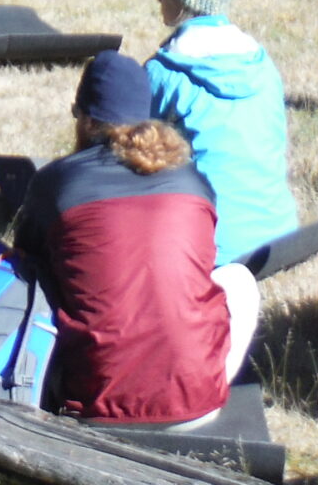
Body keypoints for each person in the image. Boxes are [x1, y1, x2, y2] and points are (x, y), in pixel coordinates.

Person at [13, 52, 259, 425]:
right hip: (198, 407)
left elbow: (25, 262)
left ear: (88, 118)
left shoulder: (55, 183)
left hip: (90, 406)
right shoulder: (193, 181)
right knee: (238, 279)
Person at [145, 0, 298, 264]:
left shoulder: (163, 72)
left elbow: (132, 158)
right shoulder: (261, 63)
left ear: (184, 0)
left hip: (207, 247)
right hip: (281, 239)